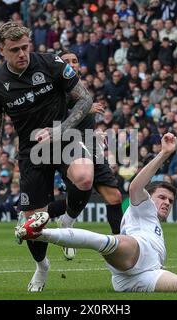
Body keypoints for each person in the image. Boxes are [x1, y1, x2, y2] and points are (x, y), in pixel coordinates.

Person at [16, 133, 177, 293]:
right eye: (162, 197)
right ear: (149, 197)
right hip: (137, 251)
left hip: (135, 277)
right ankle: (38, 234)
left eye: (170, 200)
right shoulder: (144, 207)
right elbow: (135, 187)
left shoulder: (155, 223)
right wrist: (164, 154)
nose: (167, 202)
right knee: (103, 241)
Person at [0, 21, 94, 292]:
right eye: (14, 49)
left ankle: (69, 219)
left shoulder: (51, 63)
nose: (22, 54)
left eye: (25, 47)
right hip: (31, 151)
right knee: (33, 223)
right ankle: (42, 266)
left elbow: (85, 99)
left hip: (64, 138)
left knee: (85, 178)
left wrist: (61, 128)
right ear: (1, 50)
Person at [45, 49, 124, 260]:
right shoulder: (55, 90)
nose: (72, 64)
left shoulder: (82, 89)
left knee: (114, 197)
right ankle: (44, 216)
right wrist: (83, 111)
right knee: (80, 193)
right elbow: (55, 120)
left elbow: (86, 122)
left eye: (75, 61)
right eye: (66, 61)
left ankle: (121, 246)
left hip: (91, 146)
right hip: (68, 147)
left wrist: (96, 133)